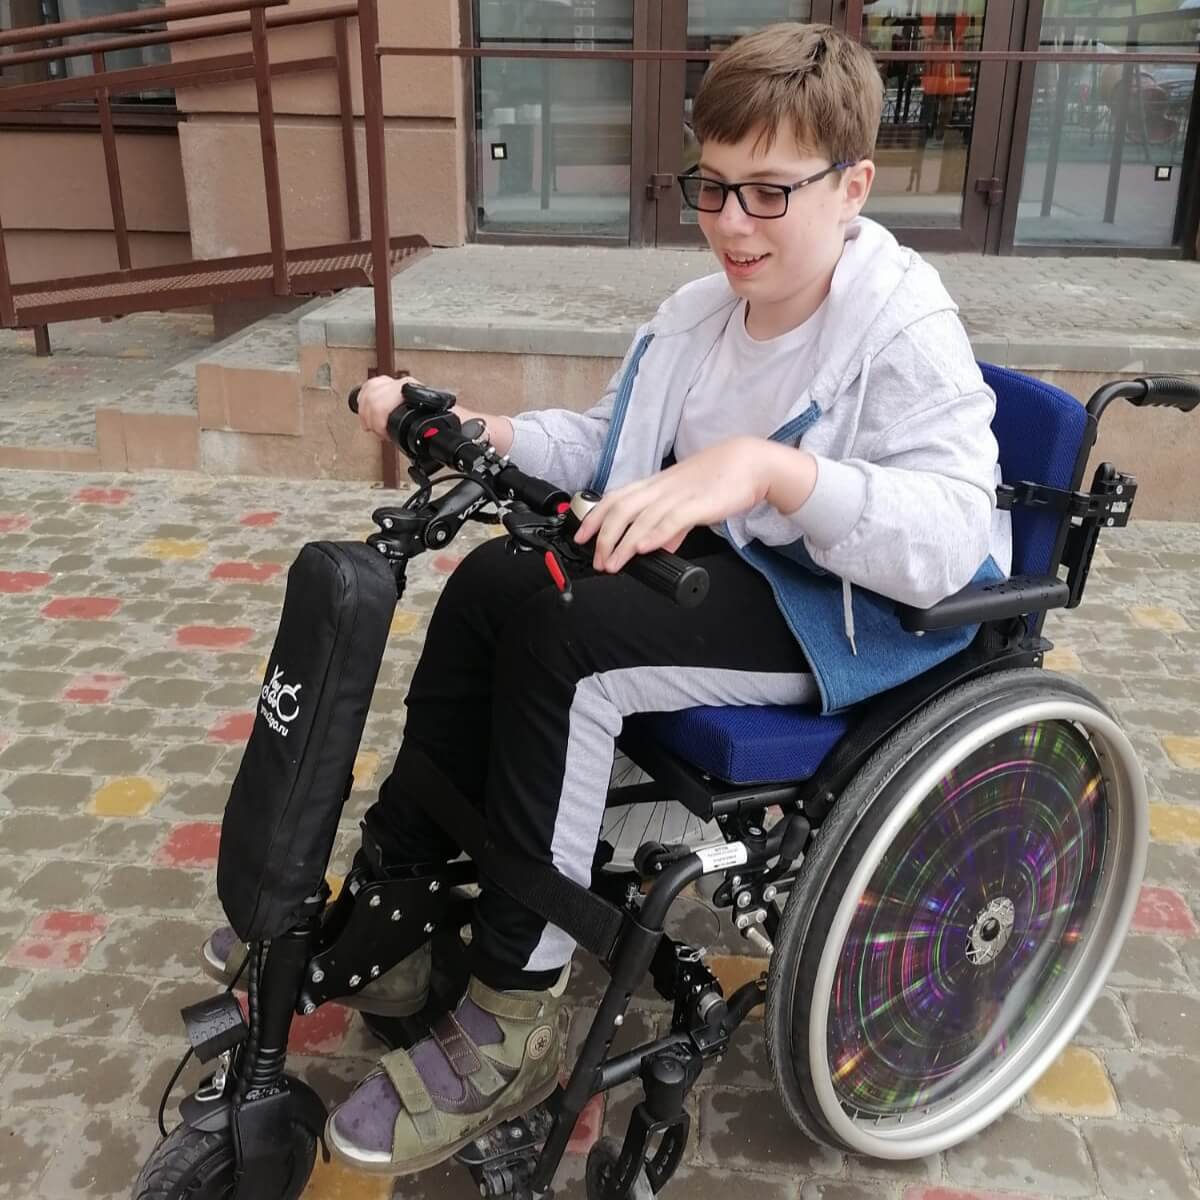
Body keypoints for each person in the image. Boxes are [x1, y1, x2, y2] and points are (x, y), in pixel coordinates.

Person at [203, 21, 1011, 1175]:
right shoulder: (697, 313)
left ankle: (515, 1012)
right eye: (712, 187)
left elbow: (948, 534)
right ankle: (401, 899)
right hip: (716, 564)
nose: (731, 224)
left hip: (846, 608)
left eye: (769, 193)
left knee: (572, 638)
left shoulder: (903, 326)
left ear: (854, 186)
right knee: (495, 578)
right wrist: (485, 428)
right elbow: (607, 439)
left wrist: (770, 471)